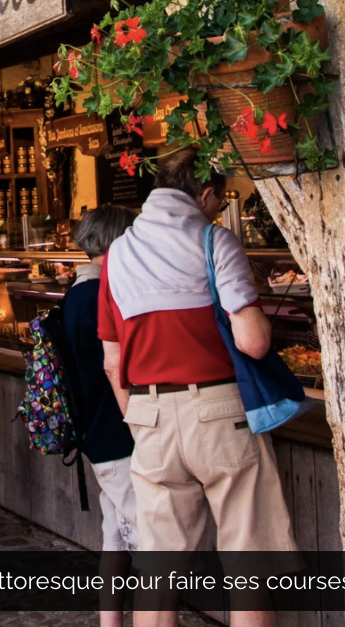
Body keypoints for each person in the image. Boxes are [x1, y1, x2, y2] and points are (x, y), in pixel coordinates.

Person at [99, 148, 294, 627]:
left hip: (149, 415)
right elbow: (251, 342)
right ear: (205, 194)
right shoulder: (213, 240)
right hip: (219, 409)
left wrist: (141, 417)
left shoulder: (116, 254)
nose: (220, 208)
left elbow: (112, 361)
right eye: (221, 199)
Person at [59, 207, 141, 599]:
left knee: (115, 538)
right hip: (117, 432)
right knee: (148, 542)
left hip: (95, 432)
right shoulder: (104, 295)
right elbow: (117, 366)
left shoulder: (75, 294)